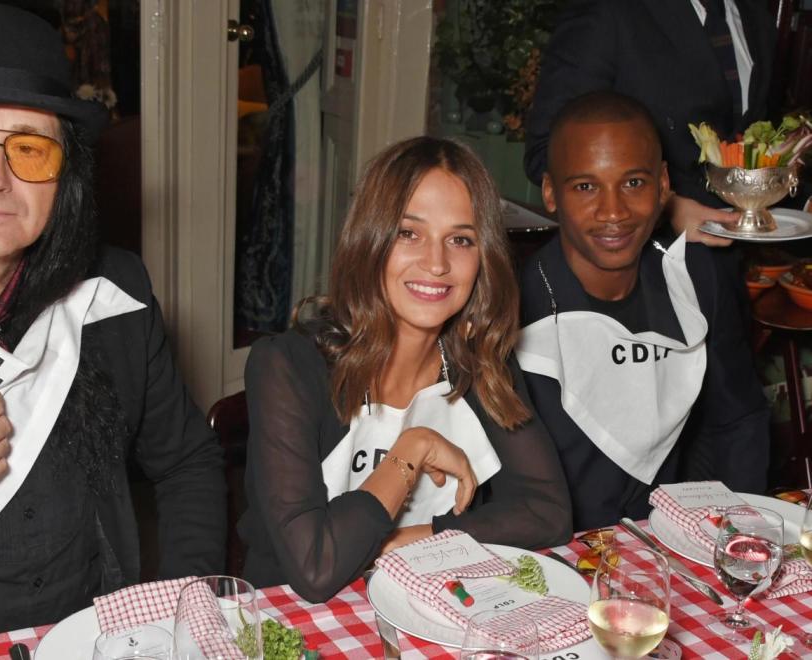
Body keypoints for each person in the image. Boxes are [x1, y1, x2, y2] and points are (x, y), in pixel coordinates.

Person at [0, 4, 225, 654]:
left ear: (65, 176)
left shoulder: (114, 295)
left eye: (29, 148)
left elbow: (187, 462)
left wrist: (177, 613)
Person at [239, 136, 573, 602]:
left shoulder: (477, 358)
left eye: (460, 239)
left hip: (421, 602)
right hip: (294, 623)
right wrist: (411, 451)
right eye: (408, 233)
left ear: (483, 259)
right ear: (369, 241)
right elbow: (314, 569)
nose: (436, 263)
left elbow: (548, 510)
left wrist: (399, 543)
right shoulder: (287, 367)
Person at [517, 91, 770, 530]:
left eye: (633, 183)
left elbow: (737, 422)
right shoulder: (509, 305)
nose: (613, 212)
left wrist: (736, 536)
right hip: (552, 552)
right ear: (550, 194)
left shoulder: (695, 278)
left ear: (664, 186)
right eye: (585, 186)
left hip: (670, 546)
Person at [523, 0, 780, 246]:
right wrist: (667, 207)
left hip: (733, 261)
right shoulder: (608, 11)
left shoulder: (756, 17)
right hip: (638, 261)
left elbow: (754, 149)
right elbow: (546, 152)